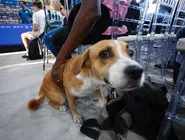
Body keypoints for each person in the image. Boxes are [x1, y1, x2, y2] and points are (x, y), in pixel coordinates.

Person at [51, 0, 131, 89]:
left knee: (54, 38)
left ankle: (70, 76)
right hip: (121, 29)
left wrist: (59, 60)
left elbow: (91, 12)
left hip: (101, 28)